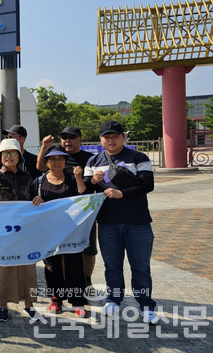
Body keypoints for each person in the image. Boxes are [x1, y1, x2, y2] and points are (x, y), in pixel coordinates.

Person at [83, 121, 160, 324]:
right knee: (112, 266)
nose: (111, 140)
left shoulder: (138, 157)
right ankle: (114, 300)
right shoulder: (93, 161)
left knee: (141, 267)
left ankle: (146, 305)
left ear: (122, 137)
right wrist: (91, 182)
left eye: (115, 136)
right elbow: (84, 191)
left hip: (138, 221)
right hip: (107, 222)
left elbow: (148, 185)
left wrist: (121, 193)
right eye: (106, 136)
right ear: (101, 139)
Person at [0, 139, 43, 324]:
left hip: (25, 232)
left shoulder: (27, 177)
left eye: (13, 152)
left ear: (19, 155)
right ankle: (2, 306)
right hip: (3, 233)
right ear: (0, 157)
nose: (9, 156)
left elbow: (33, 198)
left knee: (28, 269)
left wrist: (38, 200)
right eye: (5, 153)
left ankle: (29, 305)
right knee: (3, 270)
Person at [36, 126, 97, 287]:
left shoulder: (90, 159)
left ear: (80, 140)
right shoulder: (45, 174)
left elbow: (84, 190)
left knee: (85, 251)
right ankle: (59, 290)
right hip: (54, 222)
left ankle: (85, 282)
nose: (67, 140)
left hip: (83, 215)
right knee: (56, 255)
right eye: (64, 137)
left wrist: (91, 180)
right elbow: (40, 168)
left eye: (72, 137)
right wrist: (44, 146)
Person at [33, 145, 89, 318]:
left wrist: (79, 178)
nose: (57, 162)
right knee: (52, 265)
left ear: (64, 161)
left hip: (72, 229)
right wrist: (36, 201)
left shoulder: (72, 178)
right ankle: (56, 299)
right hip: (49, 231)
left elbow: (83, 196)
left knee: (75, 264)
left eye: (60, 159)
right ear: (47, 162)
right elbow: (31, 205)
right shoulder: (40, 182)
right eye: (53, 159)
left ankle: (78, 301)